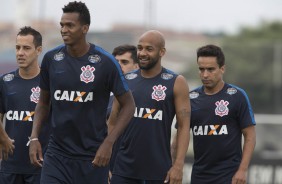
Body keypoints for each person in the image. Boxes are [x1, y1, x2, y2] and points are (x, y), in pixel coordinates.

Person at [28, 1, 135, 184]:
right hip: (57, 155)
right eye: (62, 25)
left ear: (85, 28)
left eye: (70, 25)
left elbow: (129, 105)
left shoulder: (105, 62)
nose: (64, 29)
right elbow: (43, 102)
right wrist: (35, 136)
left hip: (92, 157)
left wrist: (109, 143)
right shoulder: (51, 59)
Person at [108, 30, 191, 184]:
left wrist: (178, 165)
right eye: (140, 48)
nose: (143, 53)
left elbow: (184, 126)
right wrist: (106, 161)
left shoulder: (176, 82)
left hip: (159, 171)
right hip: (123, 170)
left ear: (162, 52)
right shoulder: (125, 80)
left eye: (149, 49)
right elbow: (112, 123)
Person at [172, 44, 256, 184]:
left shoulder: (237, 96)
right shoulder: (190, 98)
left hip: (229, 176)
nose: (205, 74)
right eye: (201, 69)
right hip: (199, 176)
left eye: (210, 69)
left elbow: (250, 136)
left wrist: (242, 170)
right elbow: (178, 138)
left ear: (222, 69)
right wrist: (173, 166)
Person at [0, 26, 50, 184]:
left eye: (26, 48)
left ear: (38, 50)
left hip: (40, 166)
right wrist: (3, 138)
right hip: (9, 166)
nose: (20, 53)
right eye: (17, 47)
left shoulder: (49, 82)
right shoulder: (5, 81)